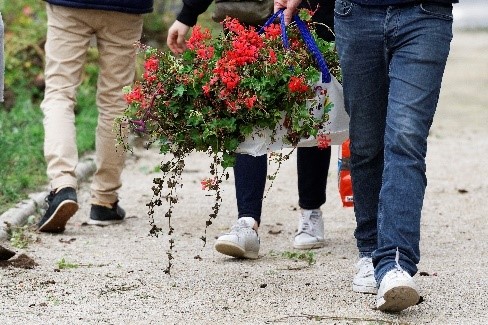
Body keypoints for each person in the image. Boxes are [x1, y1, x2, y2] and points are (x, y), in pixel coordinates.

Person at [167, 1, 375, 292]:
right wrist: (188, 14)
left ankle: (310, 212)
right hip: (246, 14)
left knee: (312, 110)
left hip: (310, 12)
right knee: (245, 114)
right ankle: (247, 222)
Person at [279, 0, 457, 313]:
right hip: (357, 14)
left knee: (406, 137)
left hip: (426, 14)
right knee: (364, 142)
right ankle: (370, 248)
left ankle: (394, 263)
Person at [37, 0, 154, 233]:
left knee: (60, 92)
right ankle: (104, 200)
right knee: (115, 100)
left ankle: (62, 186)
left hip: (69, 5)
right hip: (125, 9)